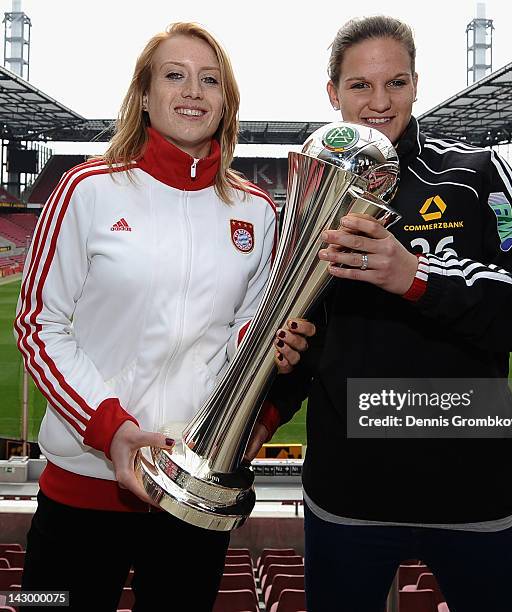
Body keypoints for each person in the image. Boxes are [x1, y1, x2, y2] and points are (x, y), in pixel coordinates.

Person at [265, 15, 512, 612]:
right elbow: (304, 344)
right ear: (333, 94)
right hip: (348, 496)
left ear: (417, 85)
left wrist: (417, 278)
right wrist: (285, 365)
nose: (378, 103)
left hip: (476, 492)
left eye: (395, 83)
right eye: (360, 86)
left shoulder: (477, 176)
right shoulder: (308, 200)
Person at [13, 22, 312, 612]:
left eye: (210, 80)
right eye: (174, 76)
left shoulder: (257, 209)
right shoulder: (86, 189)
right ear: (145, 95)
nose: (193, 91)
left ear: (226, 101)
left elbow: (244, 342)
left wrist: (274, 354)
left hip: (192, 493)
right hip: (82, 487)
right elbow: (39, 325)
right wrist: (111, 429)